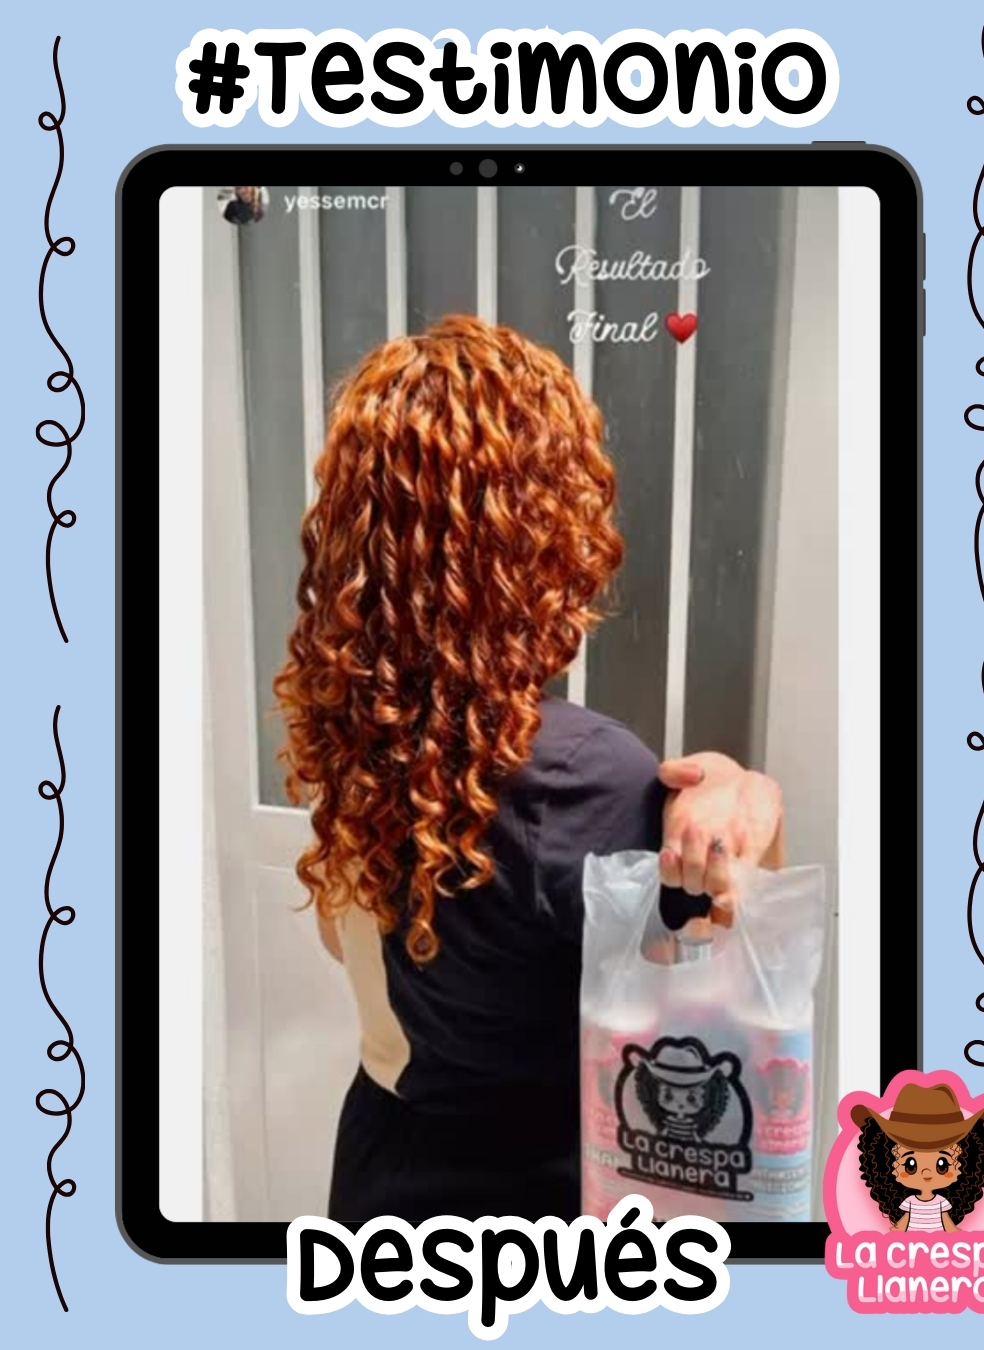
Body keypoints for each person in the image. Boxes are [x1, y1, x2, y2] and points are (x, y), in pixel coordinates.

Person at [273, 315, 783, 1224]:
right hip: (535, 1214)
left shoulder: (360, 739)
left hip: (379, 1174)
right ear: (541, 529)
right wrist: (756, 800)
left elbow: (354, 948)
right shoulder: (579, 776)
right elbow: (727, 993)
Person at [853, 1083, 984, 1232]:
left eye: (942, 1165)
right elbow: (903, 1223)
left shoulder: (941, 1202)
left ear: (962, 1163)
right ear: (891, 1164)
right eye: (910, 1165)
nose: (926, 1173)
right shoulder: (910, 1202)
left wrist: (954, 1233)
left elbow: (948, 1225)